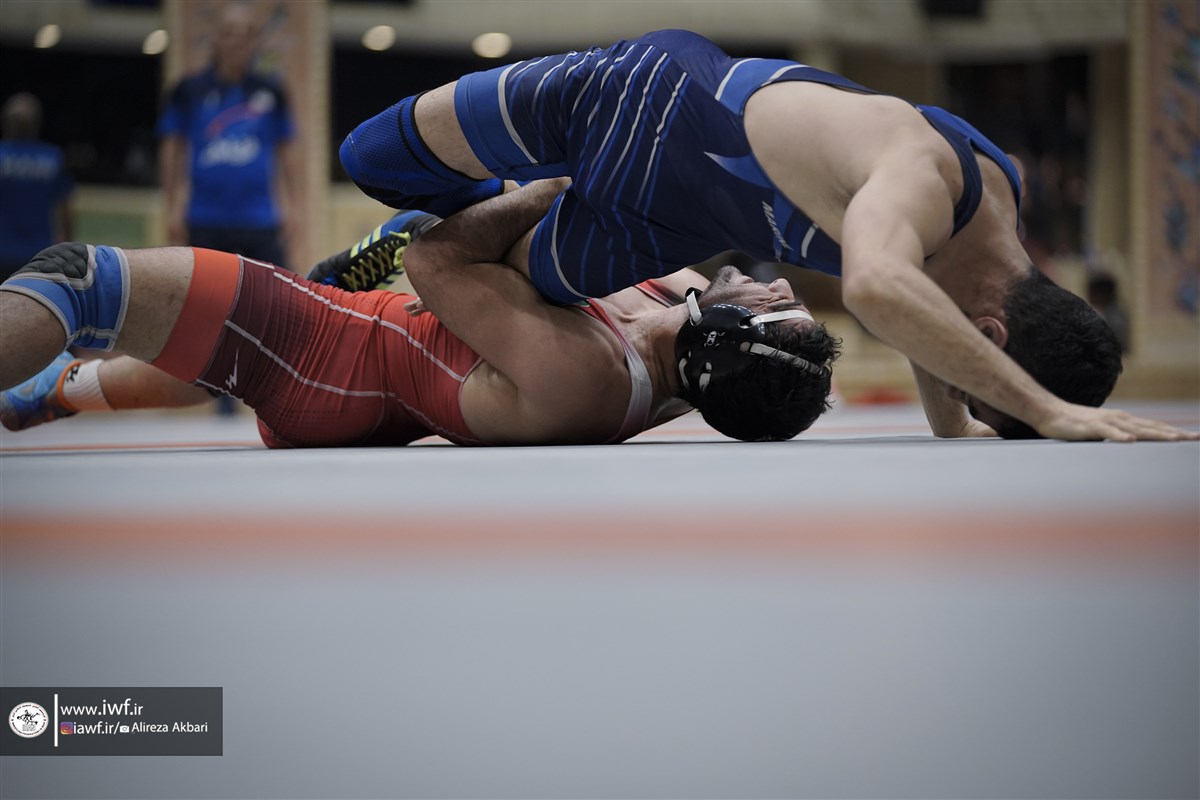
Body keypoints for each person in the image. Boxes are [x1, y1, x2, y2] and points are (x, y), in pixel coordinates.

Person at [338, 29, 1174, 442]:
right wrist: (1042, 410)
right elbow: (878, 287)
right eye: (978, 378)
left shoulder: (976, 254)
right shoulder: (930, 178)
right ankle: (453, 206)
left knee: (499, 280)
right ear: (992, 334)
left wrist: (959, 429)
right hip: (641, 102)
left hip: (667, 221)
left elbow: (923, 310)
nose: (965, 385)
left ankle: (425, 235)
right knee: (370, 159)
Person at [0, 181, 839, 446]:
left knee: (80, 281)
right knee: (207, 356)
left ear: (726, 342)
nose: (775, 287)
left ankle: (49, 380)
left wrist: (563, 184)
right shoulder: (672, 311)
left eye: (776, 307)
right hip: (358, 366)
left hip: (328, 351)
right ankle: (48, 394)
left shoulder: (590, 376)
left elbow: (433, 262)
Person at [158, 2, 300, 270]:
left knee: (275, 290)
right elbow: (171, 148)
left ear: (255, 40)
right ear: (216, 36)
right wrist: (173, 205)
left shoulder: (271, 90)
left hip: (260, 218)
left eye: (246, 33)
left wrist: (292, 206)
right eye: (230, 32)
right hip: (204, 218)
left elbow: (286, 151)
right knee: (205, 291)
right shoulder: (189, 90)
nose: (237, 41)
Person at [0, 93, 73, 282]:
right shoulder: (52, 158)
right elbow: (66, 210)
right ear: (37, 124)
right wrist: (68, 248)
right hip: (39, 256)